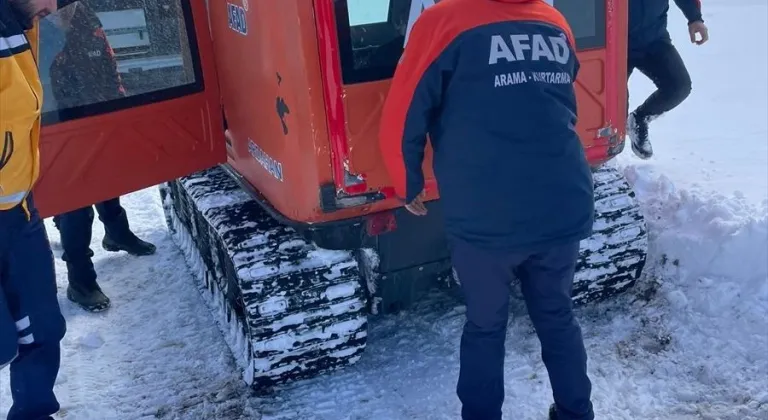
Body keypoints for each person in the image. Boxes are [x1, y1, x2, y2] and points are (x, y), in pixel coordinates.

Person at [379, 0, 595, 419]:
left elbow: (405, 110)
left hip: (488, 215)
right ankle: (577, 413)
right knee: (556, 315)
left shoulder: (442, 22)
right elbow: (557, 97)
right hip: (562, 200)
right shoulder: (554, 22)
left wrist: (406, 183)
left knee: (485, 325)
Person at [47, 0, 156, 313]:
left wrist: (117, 103)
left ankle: (117, 234)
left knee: (106, 178)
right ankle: (80, 282)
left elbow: (108, 61)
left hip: (96, 113)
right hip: (56, 125)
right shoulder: (30, 21)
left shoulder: (84, 15)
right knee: (75, 206)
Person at [1, 0, 67, 418]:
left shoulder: (22, 23)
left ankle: (33, 413)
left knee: (42, 328)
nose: (54, 5)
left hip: (19, 211)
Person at [627, 0, 708, 159]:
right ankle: (592, 163)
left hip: (653, 39)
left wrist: (695, 18)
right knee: (609, 110)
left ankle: (639, 118)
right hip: (613, 42)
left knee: (679, 86)